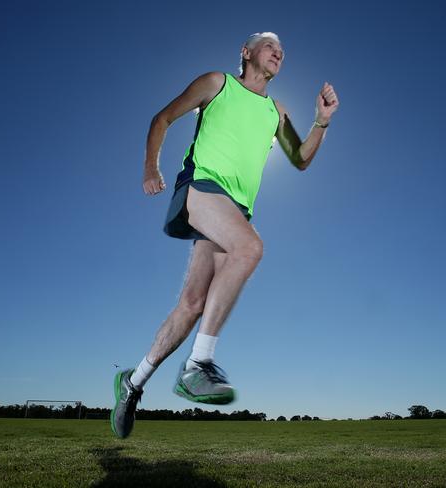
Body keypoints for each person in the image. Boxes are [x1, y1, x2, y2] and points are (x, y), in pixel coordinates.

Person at [111, 32, 339, 438]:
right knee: (250, 247)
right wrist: (151, 167)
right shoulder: (218, 83)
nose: (278, 53)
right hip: (201, 185)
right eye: (270, 45)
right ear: (246, 52)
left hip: (234, 209)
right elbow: (161, 119)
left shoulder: (276, 110)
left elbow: (300, 159)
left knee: (192, 304)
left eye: (282, 51)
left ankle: (132, 382)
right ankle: (198, 365)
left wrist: (321, 121)